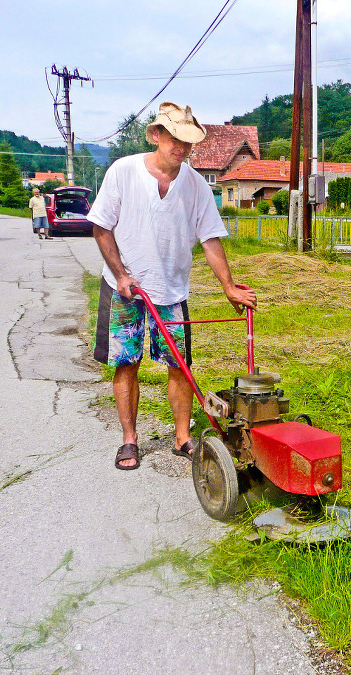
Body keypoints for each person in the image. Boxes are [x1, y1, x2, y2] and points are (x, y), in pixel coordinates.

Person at [88, 102, 256, 471]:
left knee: (180, 365)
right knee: (126, 362)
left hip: (171, 290)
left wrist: (229, 286)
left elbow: (211, 239)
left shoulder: (196, 184)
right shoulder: (123, 171)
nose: (181, 147)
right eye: (174, 138)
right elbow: (101, 227)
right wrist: (120, 275)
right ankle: (129, 440)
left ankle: (182, 438)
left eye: (188, 141)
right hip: (123, 288)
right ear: (156, 135)